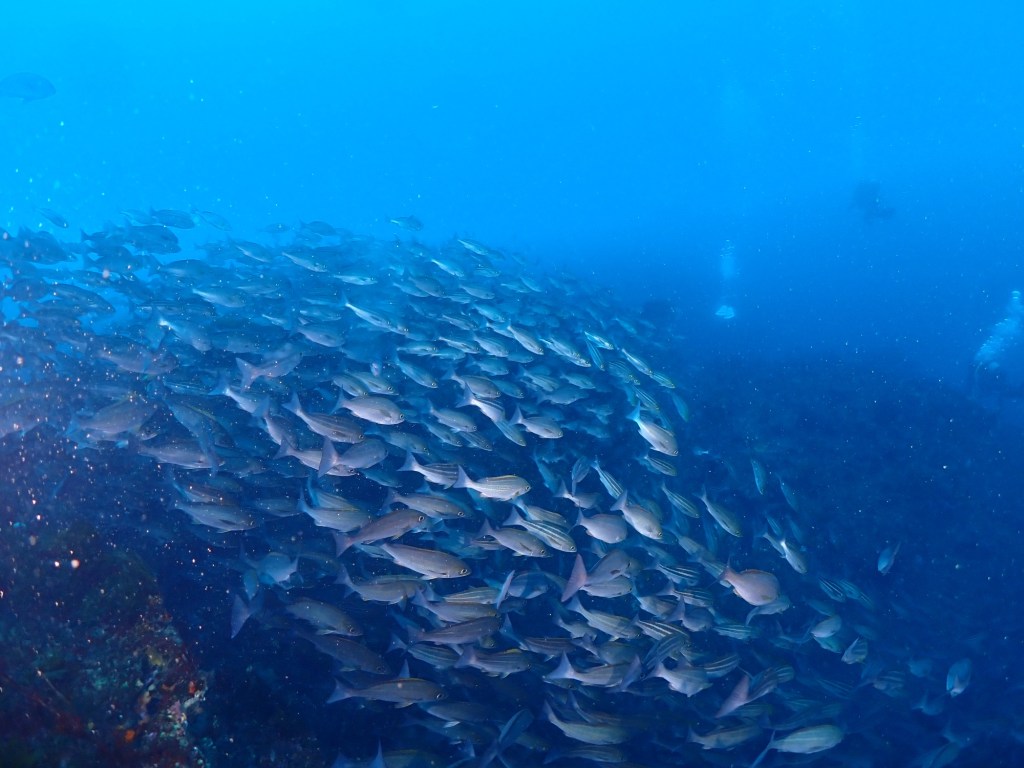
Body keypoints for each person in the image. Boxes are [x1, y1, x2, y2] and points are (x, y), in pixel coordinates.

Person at [971, 290, 1024, 401]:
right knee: (1005, 389)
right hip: (995, 375)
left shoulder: (980, 367)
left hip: (994, 376)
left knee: (1003, 388)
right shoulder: (984, 366)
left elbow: (983, 385)